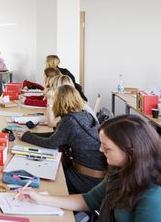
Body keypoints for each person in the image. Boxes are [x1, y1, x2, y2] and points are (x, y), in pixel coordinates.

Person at [17, 115, 161, 222]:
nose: (100, 150)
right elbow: (88, 200)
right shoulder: (121, 171)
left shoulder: (153, 195)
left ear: (131, 151)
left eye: (107, 147)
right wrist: (40, 199)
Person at [16, 85, 106, 194]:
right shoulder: (84, 115)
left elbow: (51, 143)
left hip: (85, 180)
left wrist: (27, 137)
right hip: (98, 177)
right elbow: (57, 136)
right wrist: (29, 134)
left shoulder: (69, 121)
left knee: (44, 179)